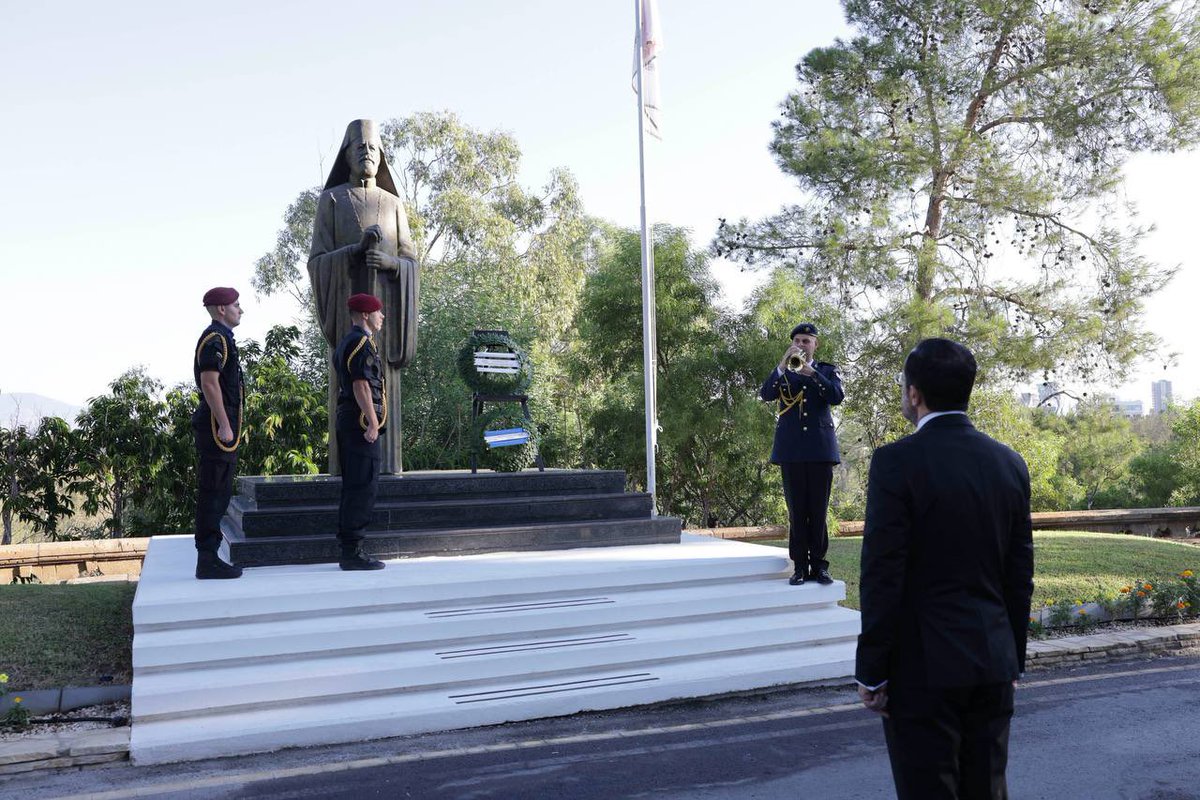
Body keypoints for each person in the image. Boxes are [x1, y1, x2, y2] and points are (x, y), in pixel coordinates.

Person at [856, 338, 1035, 800]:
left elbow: (883, 572)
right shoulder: (1009, 463)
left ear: (914, 394)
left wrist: (872, 670)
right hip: (994, 661)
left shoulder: (896, 462)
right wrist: (1012, 655)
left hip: (922, 668)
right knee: (988, 791)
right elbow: (1020, 574)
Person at [309, 119, 419, 476]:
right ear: (347, 155)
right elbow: (317, 262)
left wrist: (390, 262)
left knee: (383, 383)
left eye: (373, 148)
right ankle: (348, 469)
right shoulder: (332, 200)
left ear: (381, 156)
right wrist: (353, 252)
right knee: (353, 379)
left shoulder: (393, 204)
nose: (367, 153)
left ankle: (388, 466)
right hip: (348, 314)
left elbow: (411, 261)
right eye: (360, 148)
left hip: (386, 311)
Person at [759, 322, 844, 585]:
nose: (802, 345)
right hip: (792, 450)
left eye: (807, 341)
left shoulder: (827, 370)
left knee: (818, 511)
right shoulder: (785, 371)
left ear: (816, 344)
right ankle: (799, 567)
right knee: (797, 511)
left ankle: (819, 566)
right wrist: (783, 364)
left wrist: (812, 374)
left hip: (820, 450)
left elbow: (836, 396)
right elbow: (766, 394)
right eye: (797, 341)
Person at [333, 293, 389, 571]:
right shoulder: (361, 343)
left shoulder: (348, 341)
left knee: (354, 484)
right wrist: (372, 422)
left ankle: (349, 548)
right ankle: (352, 552)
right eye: (378, 312)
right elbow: (361, 386)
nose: (382, 317)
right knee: (362, 485)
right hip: (359, 424)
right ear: (366, 315)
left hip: (349, 420)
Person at [192, 287, 245, 580]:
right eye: (236, 305)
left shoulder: (223, 338)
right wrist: (224, 424)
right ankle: (207, 559)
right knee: (213, 491)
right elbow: (210, 383)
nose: (241, 309)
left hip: (221, 428)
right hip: (216, 429)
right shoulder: (215, 339)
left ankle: (210, 556)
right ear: (222, 309)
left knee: (220, 490)